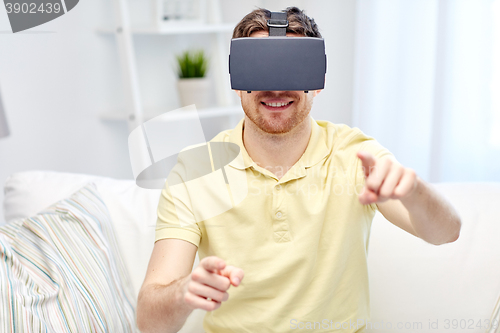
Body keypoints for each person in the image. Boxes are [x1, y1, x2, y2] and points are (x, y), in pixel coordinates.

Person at [136, 7, 461, 333]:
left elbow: (447, 232)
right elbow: (149, 323)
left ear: (317, 81)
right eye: (260, 69)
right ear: (237, 82)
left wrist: (414, 190)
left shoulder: (355, 155)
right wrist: (184, 292)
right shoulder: (196, 170)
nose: (276, 89)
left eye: (292, 69)